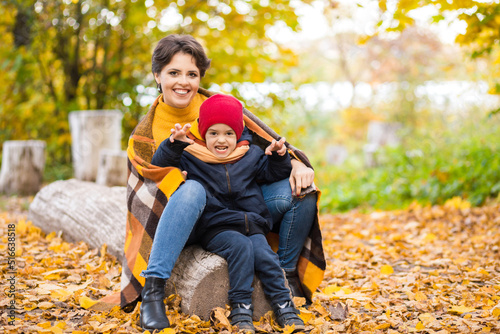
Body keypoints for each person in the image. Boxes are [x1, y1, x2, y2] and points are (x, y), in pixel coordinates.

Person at [119, 34, 326, 329]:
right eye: (173, 73)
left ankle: (285, 275)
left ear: (200, 77)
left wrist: (292, 161)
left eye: (192, 74)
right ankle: (152, 292)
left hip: (242, 210)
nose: (183, 82)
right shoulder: (147, 131)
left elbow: (265, 143)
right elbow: (151, 179)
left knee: (302, 190)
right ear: (157, 75)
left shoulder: (219, 107)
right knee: (191, 189)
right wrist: (174, 150)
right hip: (187, 218)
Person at [146, 94, 305, 332]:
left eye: (228, 133)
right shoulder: (193, 155)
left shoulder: (249, 154)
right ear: (203, 134)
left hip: (252, 223)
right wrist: (174, 144)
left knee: (265, 256)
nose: (221, 140)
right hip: (217, 226)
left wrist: (279, 158)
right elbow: (159, 165)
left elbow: (271, 174)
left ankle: (285, 306)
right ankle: (241, 307)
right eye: (214, 133)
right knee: (240, 248)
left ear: (238, 134)